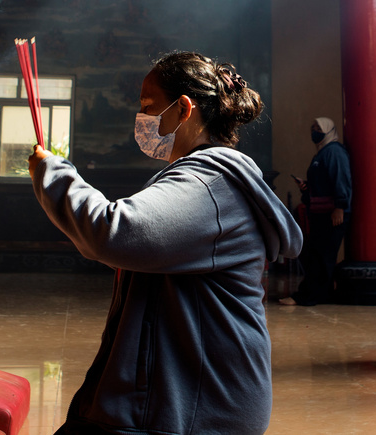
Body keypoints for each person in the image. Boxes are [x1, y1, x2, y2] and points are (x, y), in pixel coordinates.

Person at [28, 51, 303, 435]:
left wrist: (52, 173)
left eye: (148, 107)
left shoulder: (209, 184)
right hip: (187, 398)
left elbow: (117, 233)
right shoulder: (200, 177)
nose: (142, 120)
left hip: (195, 408)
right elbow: (141, 252)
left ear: (184, 109)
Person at [279, 117, 351, 307]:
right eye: (312, 127)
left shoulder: (334, 152)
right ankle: (323, 294)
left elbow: (341, 180)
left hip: (332, 214)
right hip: (320, 213)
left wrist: (340, 207)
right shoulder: (322, 152)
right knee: (318, 255)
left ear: (328, 130)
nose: (314, 131)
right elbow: (323, 184)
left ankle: (307, 296)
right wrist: (306, 187)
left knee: (321, 256)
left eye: (318, 128)